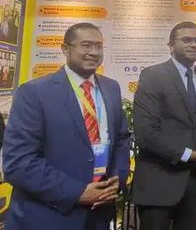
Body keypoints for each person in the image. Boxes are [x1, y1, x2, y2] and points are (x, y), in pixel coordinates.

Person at [2, 22, 130, 230]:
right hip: (49, 217)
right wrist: (77, 192)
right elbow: (18, 162)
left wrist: (117, 178)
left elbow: (122, 138)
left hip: (99, 214)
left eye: (98, 46)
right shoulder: (34, 93)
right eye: (86, 45)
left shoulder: (111, 88)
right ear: (65, 49)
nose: (93, 52)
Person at [133, 21, 196, 230]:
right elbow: (145, 133)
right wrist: (193, 155)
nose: (194, 44)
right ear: (171, 46)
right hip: (159, 182)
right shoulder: (153, 75)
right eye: (187, 40)